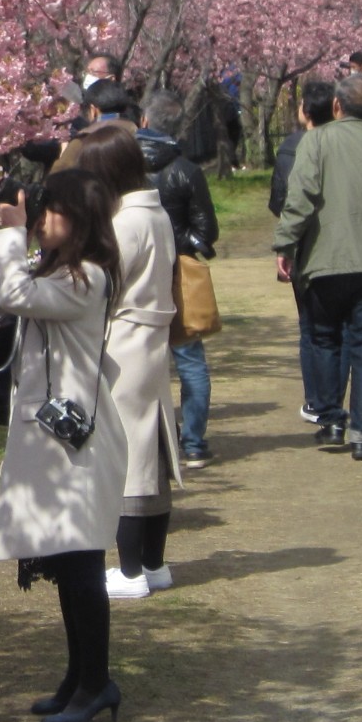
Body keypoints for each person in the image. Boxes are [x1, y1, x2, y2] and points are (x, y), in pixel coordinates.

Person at [0, 170, 123, 722]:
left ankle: (96, 682)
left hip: (76, 444)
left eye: (50, 212)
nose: (40, 221)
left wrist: (12, 235)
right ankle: (79, 676)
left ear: (81, 217)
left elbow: (14, 294)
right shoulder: (65, 272)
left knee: (82, 564)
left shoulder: (87, 276)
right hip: (56, 438)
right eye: (36, 213)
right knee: (68, 566)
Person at [273, 73, 362, 458]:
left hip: (324, 258)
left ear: (337, 106)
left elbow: (300, 197)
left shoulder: (316, 140)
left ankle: (332, 420)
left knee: (324, 337)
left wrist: (285, 244)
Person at [79, 132, 183, 600]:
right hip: (152, 342)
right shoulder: (155, 213)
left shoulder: (125, 222)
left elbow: (99, 287)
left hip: (122, 342)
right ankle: (154, 564)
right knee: (153, 447)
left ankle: (130, 569)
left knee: (126, 457)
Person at [139, 88, 218, 468]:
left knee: (136, 359)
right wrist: (179, 239)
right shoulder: (186, 170)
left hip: (133, 275)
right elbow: (207, 232)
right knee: (190, 361)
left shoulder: (122, 169)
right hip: (178, 274)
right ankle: (194, 444)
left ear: (143, 122)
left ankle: (142, 443)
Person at [271, 77, 336, 424]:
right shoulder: (346, 144)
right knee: (344, 330)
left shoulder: (289, 149)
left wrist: (286, 240)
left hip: (302, 248)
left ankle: (316, 399)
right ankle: (340, 398)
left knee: (311, 328)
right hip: (340, 245)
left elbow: (279, 202)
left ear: (304, 111)